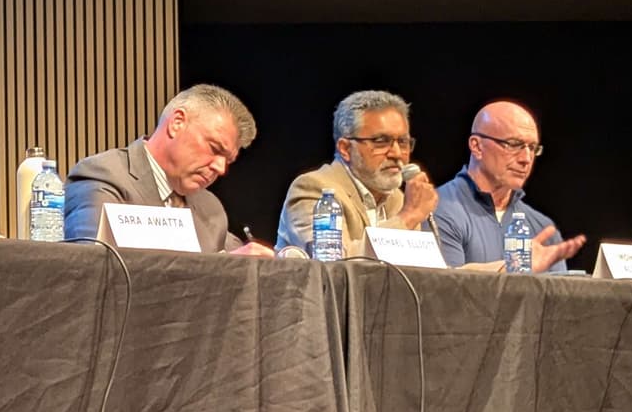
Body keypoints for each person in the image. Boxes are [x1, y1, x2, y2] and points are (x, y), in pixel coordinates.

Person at [61, 85, 270, 253]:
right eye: (214, 148)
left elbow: (240, 261)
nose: (220, 168)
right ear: (177, 123)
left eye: (228, 161)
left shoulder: (210, 208)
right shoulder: (103, 177)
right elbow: (93, 270)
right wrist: (223, 269)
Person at [429, 100, 585, 274]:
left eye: (532, 148)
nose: (526, 158)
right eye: (513, 144)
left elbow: (559, 299)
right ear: (477, 146)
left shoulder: (542, 228)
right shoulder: (438, 209)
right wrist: (516, 267)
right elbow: (445, 291)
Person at [275, 90, 436, 254]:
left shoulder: (399, 199)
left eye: (402, 142)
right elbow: (335, 264)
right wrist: (407, 217)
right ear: (345, 148)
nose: (396, 153)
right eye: (380, 141)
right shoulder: (315, 190)